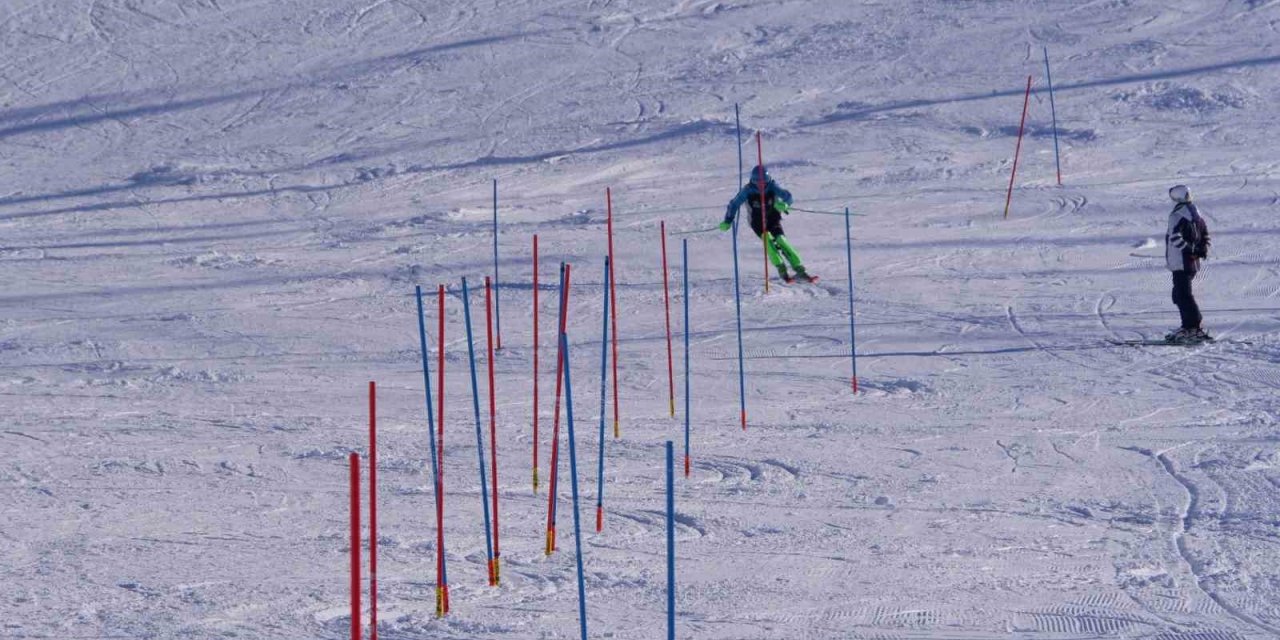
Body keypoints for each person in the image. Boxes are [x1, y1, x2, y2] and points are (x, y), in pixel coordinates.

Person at [719, 165, 815, 283]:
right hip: (757, 222)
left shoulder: (772, 186)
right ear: (752, 181)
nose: (761, 185)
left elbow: (788, 196)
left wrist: (785, 204)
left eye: (764, 182)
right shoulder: (747, 190)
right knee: (768, 241)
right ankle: (781, 269)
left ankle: (799, 269)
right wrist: (728, 220)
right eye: (758, 182)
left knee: (782, 241)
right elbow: (734, 204)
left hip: (773, 219)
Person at [1164, 184, 1211, 343]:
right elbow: (1205, 233)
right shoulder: (1196, 213)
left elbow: (1175, 238)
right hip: (1191, 263)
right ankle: (1188, 326)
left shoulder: (1176, 216)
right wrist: (1201, 249)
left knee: (1183, 295)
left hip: (1181, 262)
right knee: (1178, 294)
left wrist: (1191, 250)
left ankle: (1193, 327)